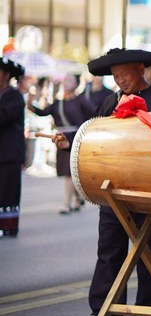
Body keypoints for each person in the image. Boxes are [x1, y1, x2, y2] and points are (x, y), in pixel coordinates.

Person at [73, 48, 151, 316]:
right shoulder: (110, 102)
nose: (120, 81)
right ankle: (105, 305)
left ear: (140, 68)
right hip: (117, 187)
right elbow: (93, 133)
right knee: (110, 247)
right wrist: (69, 140)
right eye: (115, 76)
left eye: (124, 74)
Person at [27, 74, 96, 213]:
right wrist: (30, 102)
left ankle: (67, 203)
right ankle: (76, 199)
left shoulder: (81, 100)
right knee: (68, 171)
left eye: (70, 80)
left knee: (71, 172)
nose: (67, 83)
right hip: (61, 139)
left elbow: (95, 113)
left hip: (77, 138)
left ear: (76, 84)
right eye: (65, 81)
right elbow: (42, 112)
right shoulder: (58, 103)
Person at [0, 57, 26, 239]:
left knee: (8, 190)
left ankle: (8, 226)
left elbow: (3, 117)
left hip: (9, 153)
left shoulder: (14, 96)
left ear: (6, 75)